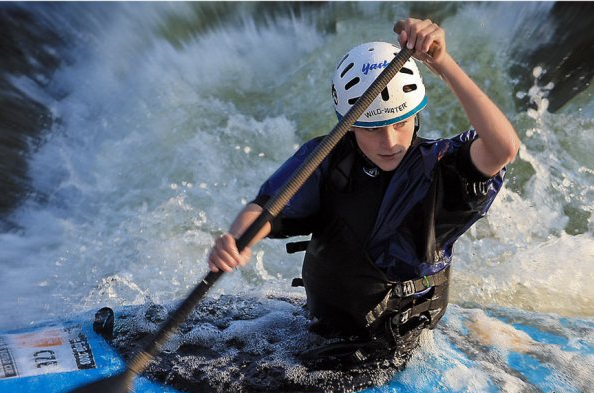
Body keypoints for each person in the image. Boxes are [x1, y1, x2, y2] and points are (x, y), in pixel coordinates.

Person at [208, 17, 519, 370]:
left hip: (392, 345)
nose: (388, 142)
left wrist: (441, 63)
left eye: (399, 124)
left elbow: (502, 147)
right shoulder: (329, 159)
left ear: (416, 116)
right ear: (350, 124)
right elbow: (267, 208)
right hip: (318, 329)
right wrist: (236, 239)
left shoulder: (443, 171)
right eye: (372, 129)